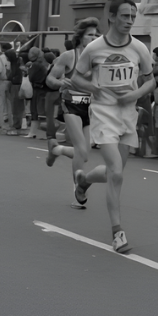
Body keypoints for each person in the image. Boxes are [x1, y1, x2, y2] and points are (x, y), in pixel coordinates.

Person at [72, 0, 157, 254]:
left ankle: (84, 180)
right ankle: (117, 232)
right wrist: (92, 87)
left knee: (112, 172)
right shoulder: (94, 48)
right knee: (117, 172)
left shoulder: (140, 48)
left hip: (128, 115)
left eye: (133, 16)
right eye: (124, 16)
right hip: (103, 113)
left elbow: (150, 81)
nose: (130, 21)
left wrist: (135, 94)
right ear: (110, 16)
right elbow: (76, 77)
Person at [44, 18, 101, 208]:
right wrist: (61, 83)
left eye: (96, 35)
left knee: (83, 155)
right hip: (70, 105)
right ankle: (78, 189)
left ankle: (56, 149)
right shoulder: (69, 56)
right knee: (81, 149)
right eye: (90, 35)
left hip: (88, 108)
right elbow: (50, 79)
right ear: (80, 37)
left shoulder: (97, 58)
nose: (93, 38)